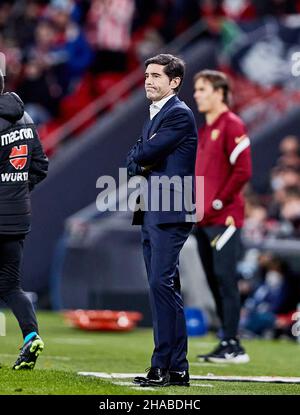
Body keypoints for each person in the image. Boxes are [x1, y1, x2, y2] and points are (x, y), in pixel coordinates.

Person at [126, 54, 197, 387]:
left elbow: (141, 156)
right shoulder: (156, 114)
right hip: (153, 207)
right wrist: (143, 156)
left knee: (160, 285)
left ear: (175, 82)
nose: (148, 81)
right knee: (165, 288)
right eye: (146, 75)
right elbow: (134, 161)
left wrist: (143, 155)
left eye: (156, 75)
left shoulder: (178, 115)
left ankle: (161, 366)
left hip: (169, 208)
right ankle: (177, 368)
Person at [193, 69, 252, 363]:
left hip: (224, 218)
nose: (197, 95)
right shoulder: (204, 130)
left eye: (202, 89)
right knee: (214, 280)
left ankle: (233, 343)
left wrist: (217, 203)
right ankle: (225, 339)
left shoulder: (232, 124)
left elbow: (243, 170)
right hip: (203, 219)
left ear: (219, 92)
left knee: (225, 279)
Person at [0, 71, 48, 370]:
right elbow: (41, 165)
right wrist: (15, 189)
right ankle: (31, 336)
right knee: (10, 286)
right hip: (17, 216)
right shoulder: (26, 120)